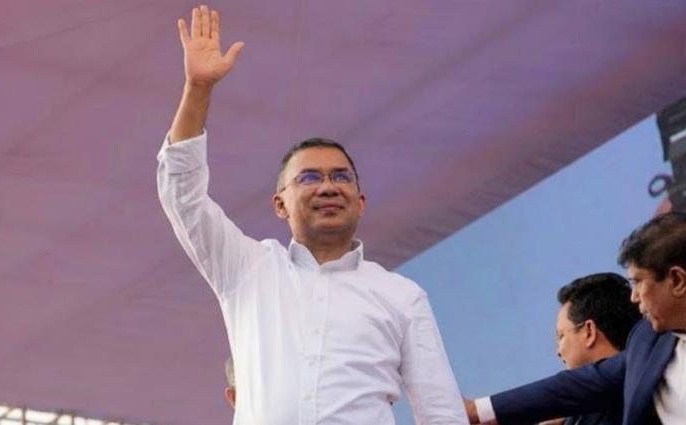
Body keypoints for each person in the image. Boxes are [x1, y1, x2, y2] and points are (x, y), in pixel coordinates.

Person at [156, 5, 468, 424]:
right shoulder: (247, 268)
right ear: (279, 204)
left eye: (341, 177)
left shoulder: (402, 296)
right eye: (309, 178)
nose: (327, 186)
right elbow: (183, 197)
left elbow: (441, 411)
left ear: (361, 201)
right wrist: (197, 88)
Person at [465, 212, 686, 425]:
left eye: (638, 282)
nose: (634, 297)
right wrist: (478, 410)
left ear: (677, 281)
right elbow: (573, 387)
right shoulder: (646, 341)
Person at [542, 273, 641, 425]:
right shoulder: (579, 410)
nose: (558, 352)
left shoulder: (630, 405)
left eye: (561, 336)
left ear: (589, 332)